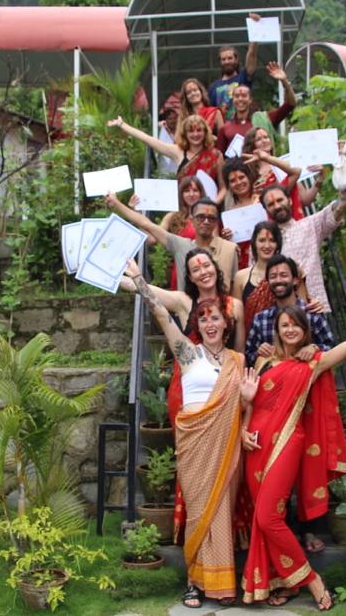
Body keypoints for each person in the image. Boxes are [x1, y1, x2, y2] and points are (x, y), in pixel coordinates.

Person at [240, 295, 346, 608]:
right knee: (264, 518)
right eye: (284, 325)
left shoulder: (314, 362)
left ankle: (311, 579)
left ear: (305, 330)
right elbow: (251, 404)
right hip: (255, 445)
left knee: (268, 518)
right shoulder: (263, 362)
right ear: (277, 330)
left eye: (295, 325)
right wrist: (243, 428)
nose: (290, 330)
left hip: (288, 441)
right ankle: (285, 583)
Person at [126, 260, 257, 608]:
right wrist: (139, 279)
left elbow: (244, 406)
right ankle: (193, 582)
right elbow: (160, 313)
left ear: (226, 323)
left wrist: (247, 400)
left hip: (226, 447)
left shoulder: (238, 360)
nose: (210, 323)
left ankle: (221, 583)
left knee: (222, 512)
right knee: (199, 512)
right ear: (197, 325)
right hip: (194, 445)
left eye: (215, 318)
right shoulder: (188, 354)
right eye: (204, 319)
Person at [260, 168, 346, 313]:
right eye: (271, 204)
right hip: (281, 314)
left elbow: (342, 204)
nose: (277, 206)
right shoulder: (263, 242)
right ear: (266, 210)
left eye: (280, 200)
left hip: (315, 308)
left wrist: (344, 181)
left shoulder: (310, 225)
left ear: (290, 200)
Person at [106, 193, 238, 291]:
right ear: (192, 220)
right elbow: (145, 224)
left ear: (217, 222)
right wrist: (117, 203)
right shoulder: (181, 245)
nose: (206, 221)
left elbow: (234, 289)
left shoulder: (229, 249)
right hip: (186, 314)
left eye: (211, 218)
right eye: (201, 217)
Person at [244, 254, 334, 367]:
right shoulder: (261, 319)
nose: (278, 280)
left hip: (308, 376)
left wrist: (314, 348)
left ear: (295, 280)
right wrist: (259, 352)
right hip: (273, 376)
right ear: (268, 282)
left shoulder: (312, 313)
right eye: (273, 276)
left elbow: (331, 348)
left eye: (284, 275)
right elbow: (249, 354)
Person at [107, 115, 224, 196]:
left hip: (209, 212)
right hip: (183, 209)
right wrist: (122, 125)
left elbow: (223, 188)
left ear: (205, 132)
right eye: (191, 131)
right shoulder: (178, 151)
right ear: (185, 134)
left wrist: (214, 203)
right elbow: (147, 139)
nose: (195, 134)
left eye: (199, 130)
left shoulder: (216, 155)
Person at [216, 62, 296, 155]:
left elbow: (290, 104)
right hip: (236, 164)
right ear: (233, 100)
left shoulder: (265, 118)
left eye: (244, 95)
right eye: (237, 96)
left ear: (250, 100)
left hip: (263, 164)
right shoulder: (225, 128)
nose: (240, 99)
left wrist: (284, 81)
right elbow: (220, 156)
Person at [231, 220, 279, 332]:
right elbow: (237, 318)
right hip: (251, 338)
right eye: (262, 240)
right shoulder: (241, 277)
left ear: (278, 244)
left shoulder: (289, 272)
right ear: (254, 243)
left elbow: (302, 309)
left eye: (272, 240)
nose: (267, 245)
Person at [208, 22, 259, 118]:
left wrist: (255, 28)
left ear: (236, 59)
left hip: (243, 124)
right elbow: (211, 113)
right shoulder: (213, 87)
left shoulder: (243, 78)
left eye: (230, 58)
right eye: (223, 59)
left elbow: (252, 55)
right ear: (220, 62)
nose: (227, 61)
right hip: (222, 126)